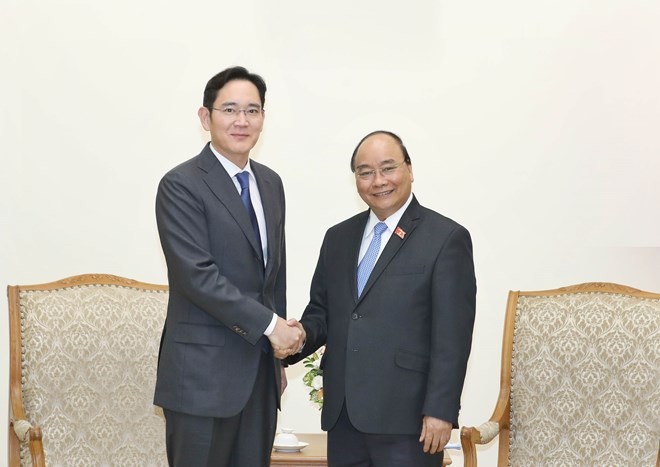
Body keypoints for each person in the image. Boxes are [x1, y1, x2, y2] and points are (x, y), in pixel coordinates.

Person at [288, 130, 476, 466]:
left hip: (409, 420)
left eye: (388, 168)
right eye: (365, 172)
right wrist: (295, 337)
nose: (378, 181)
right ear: (356, 179)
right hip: (344, 417)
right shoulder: (338, 237)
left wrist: (440, 411)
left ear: (410, 169)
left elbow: (453, 337)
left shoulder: (446, 238)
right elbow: (322, 312)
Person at [154, 66, 305, 467]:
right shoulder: (181, 184)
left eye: (253, 110)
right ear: (206, 118)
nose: (242, 121)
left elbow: (274, 277)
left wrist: (279, 356)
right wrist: (273, 328)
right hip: (201, 379)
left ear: (263, 119)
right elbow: (196, 276)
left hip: (259, 376)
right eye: (230, 109)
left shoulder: (271, 183)